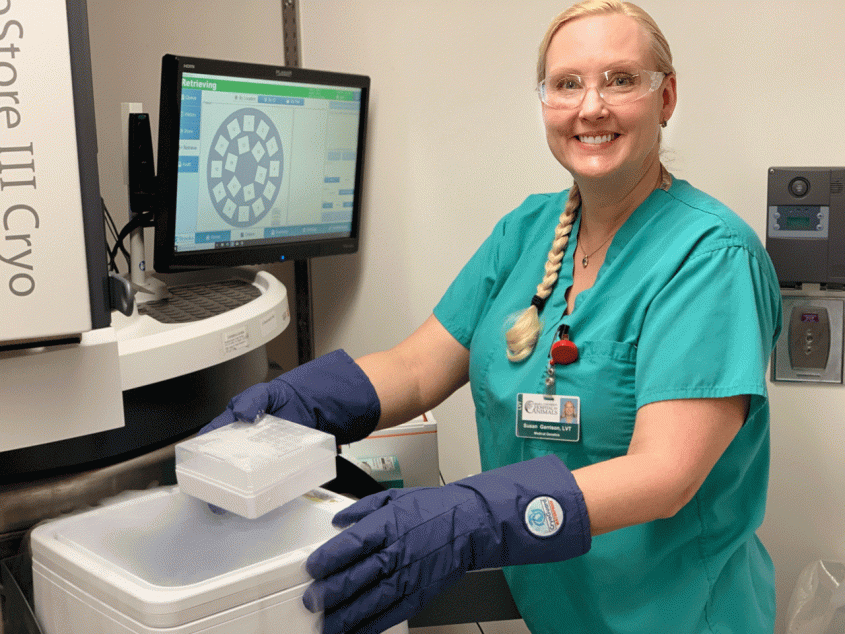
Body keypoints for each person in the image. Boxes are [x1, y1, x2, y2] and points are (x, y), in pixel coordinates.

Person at [200, 2, 782, 632]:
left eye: (620, 80)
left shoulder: (712, 258)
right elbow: (419, 368)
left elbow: (663, 474)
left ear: (665, 97)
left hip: (678, 617)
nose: (591, 107)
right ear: (544, 102)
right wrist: (305, 401)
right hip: (558, 611)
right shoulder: (526, 231)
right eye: (566, 84)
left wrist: (474, 514)